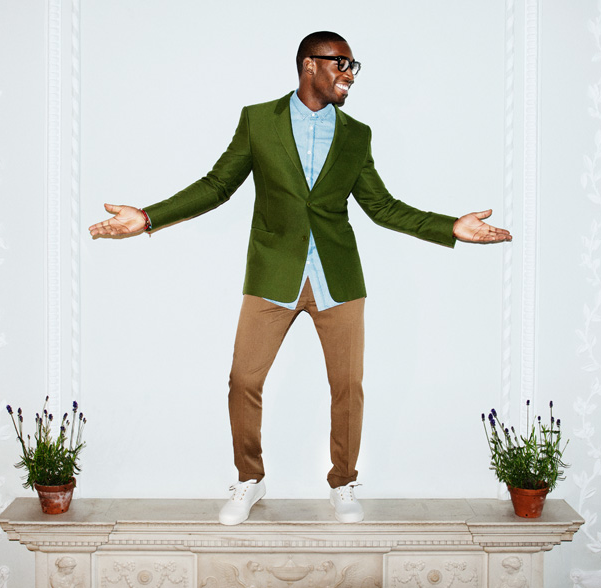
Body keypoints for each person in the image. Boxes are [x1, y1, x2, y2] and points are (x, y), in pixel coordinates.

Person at [88, 31, 512, 526]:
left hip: (338, 277)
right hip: (273, 272)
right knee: (243, 380)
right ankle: (250, 478)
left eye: (353, 66)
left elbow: (382, 207)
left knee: (347, 386)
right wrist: (148, 217)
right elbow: (218, 185)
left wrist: (450, 227)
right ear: (310, 64)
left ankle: (343, 481)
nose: (350, 74)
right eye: (341, 63)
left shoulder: (357, 135)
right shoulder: (258, 121)